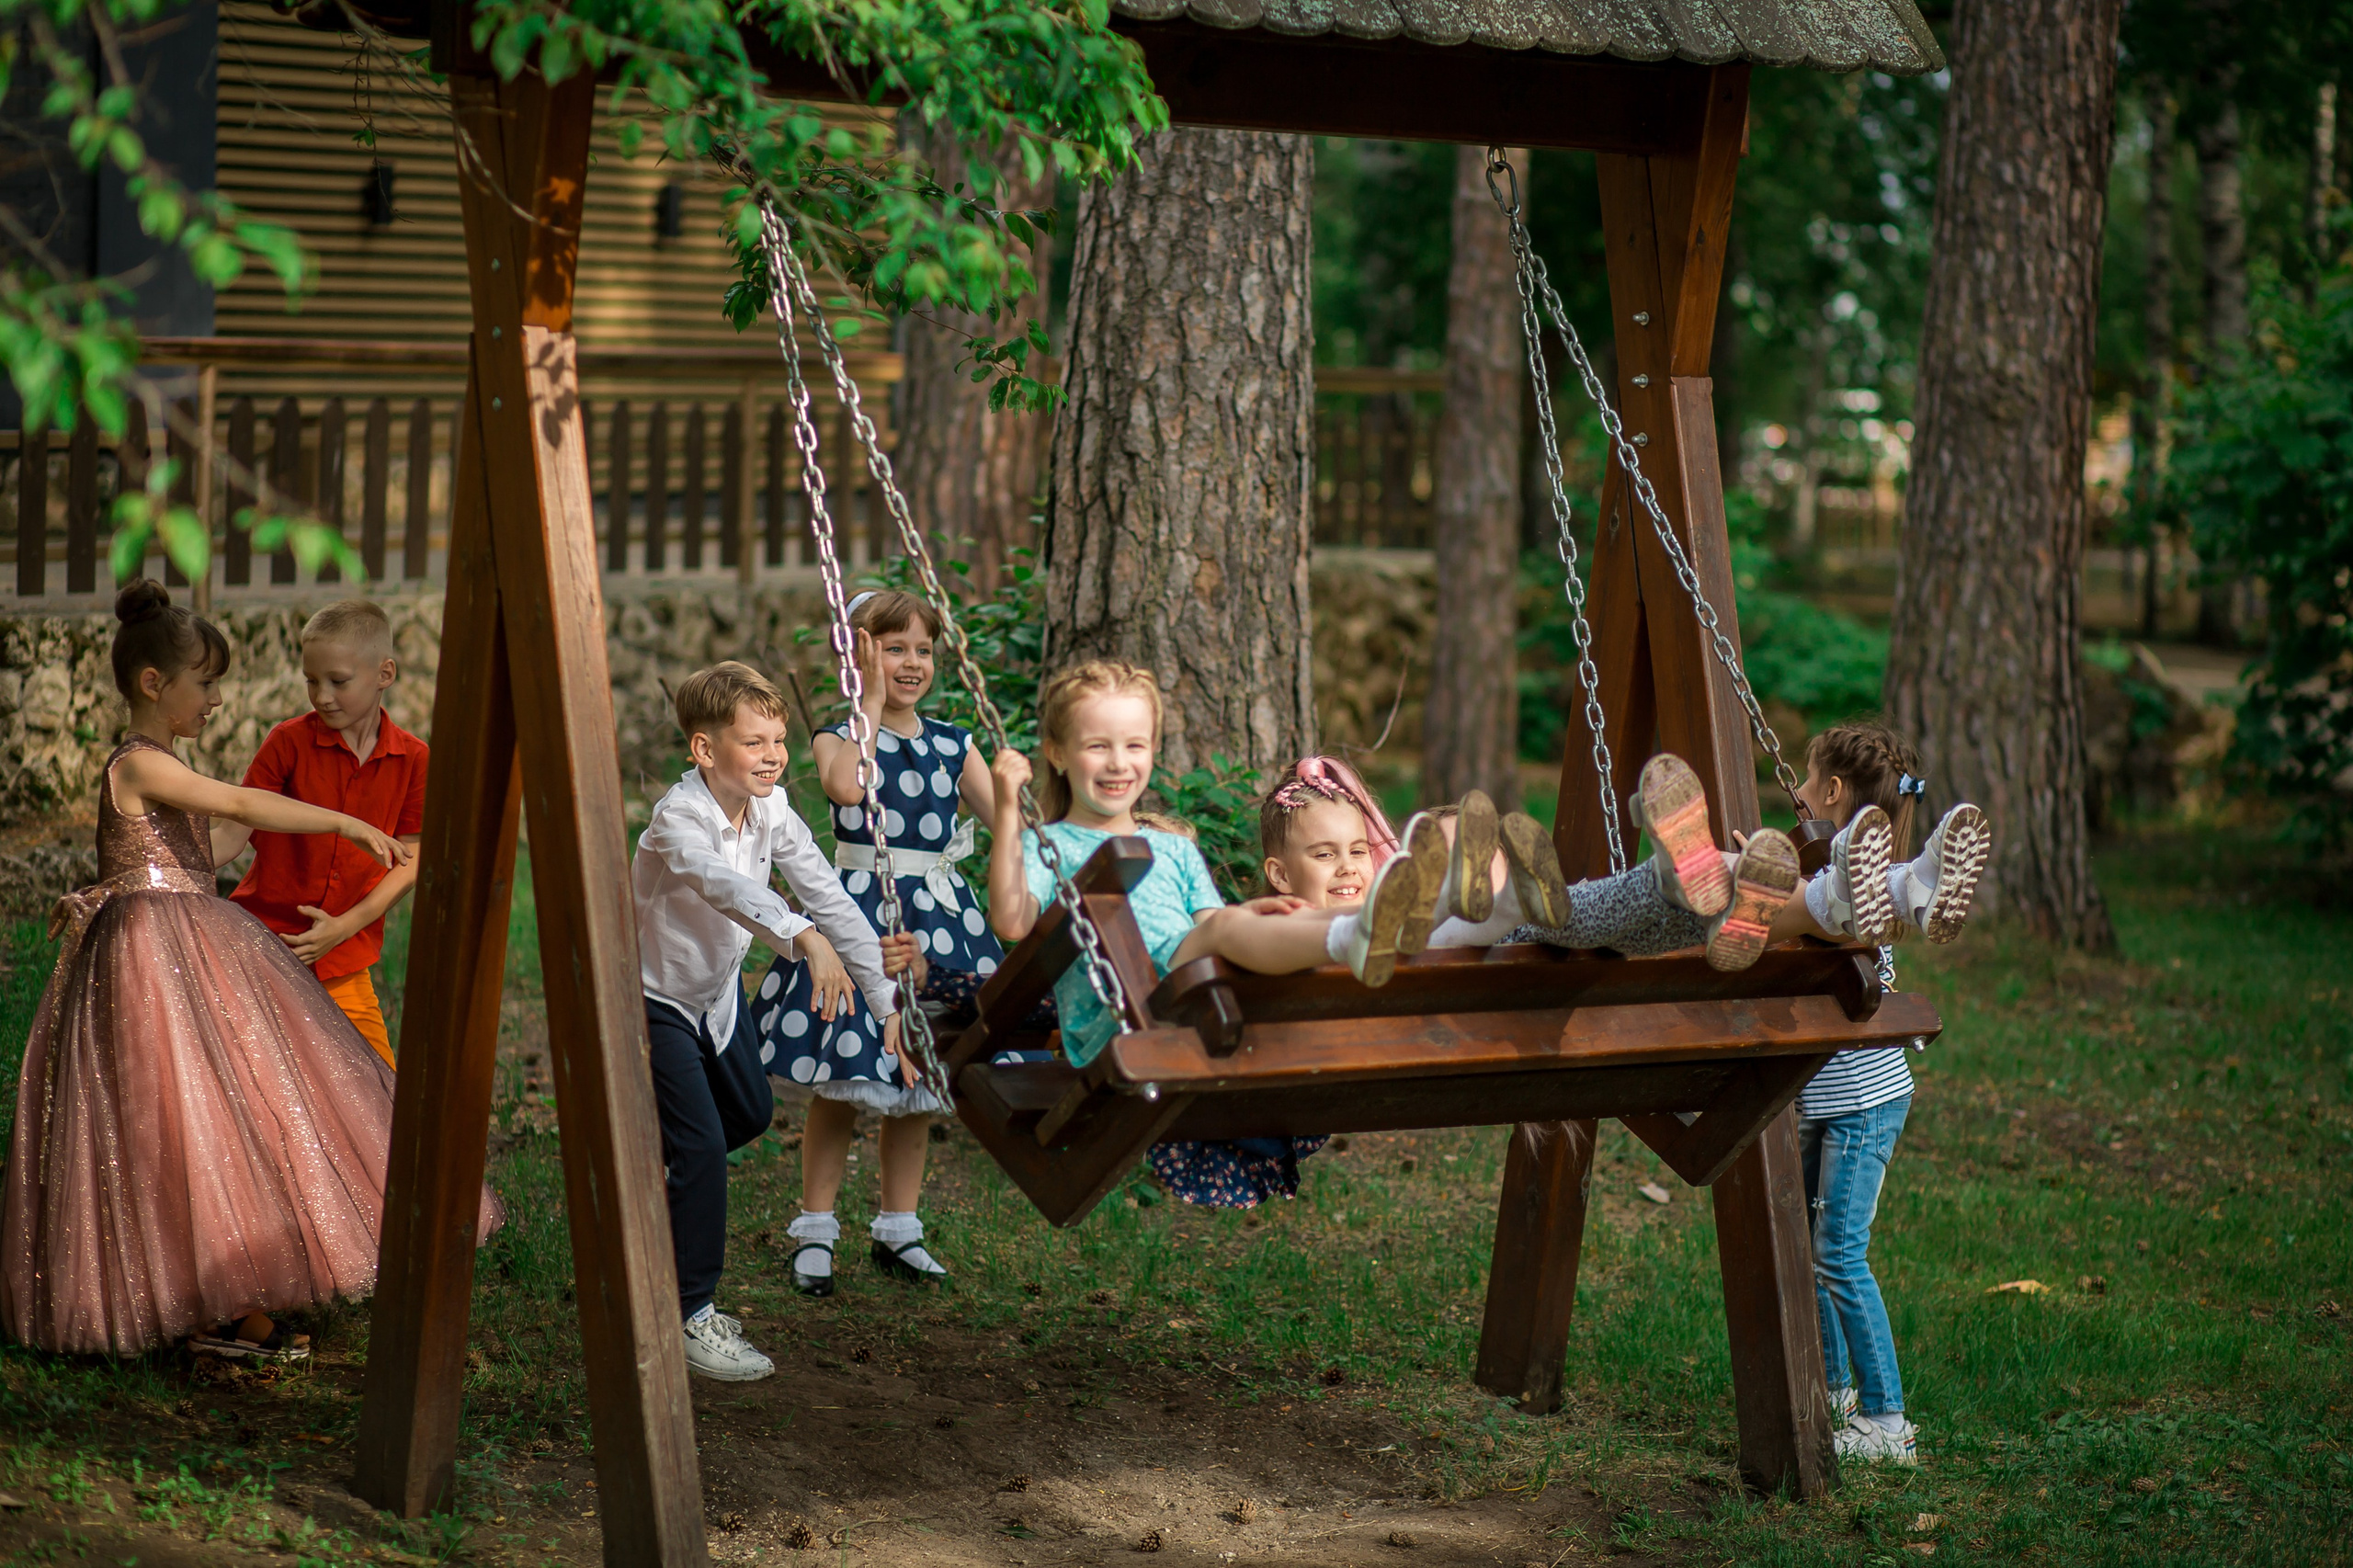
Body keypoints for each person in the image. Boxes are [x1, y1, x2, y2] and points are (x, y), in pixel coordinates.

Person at [2, 580, 415, 1360]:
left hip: (185, 934)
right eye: (208, 682)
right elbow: (240, 805)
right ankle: (192, 1300)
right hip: (148, 959)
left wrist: (108, 882)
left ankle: (227, 1286)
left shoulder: (166, 762)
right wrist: (341, 818)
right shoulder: (137, 764)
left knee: (226, 1110)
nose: (219, 699)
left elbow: (205, 850)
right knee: (168, 1116)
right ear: (155, 685)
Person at [631, 661, 901, 1381]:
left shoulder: (773, 809)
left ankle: (646, 1204)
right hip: (653, 999)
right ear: (705, 750)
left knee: (746, 1117)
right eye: (754, 742)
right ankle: (688, 1313)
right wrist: (801, 937)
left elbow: (830, 895)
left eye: (778, 739)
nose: (775, 755)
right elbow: (721, 887)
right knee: (699, 1148)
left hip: (715, 1000)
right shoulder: (676, 818)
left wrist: (886, 1006)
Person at [753, 590, 1003, 1296]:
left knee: (917, 1082)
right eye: (893, 649)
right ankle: (815, 1229)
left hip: (941, 926)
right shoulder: (838, 736)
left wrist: (1022, 802)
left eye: (922, 650)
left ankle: (900, 1228)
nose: (912, 662)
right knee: (843, 1079)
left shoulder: (955, 741)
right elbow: (847, 790)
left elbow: (1007, 818)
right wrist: (865, 699)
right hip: (859, 915)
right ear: (857, 656)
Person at [1774, 719, 1993, 1468]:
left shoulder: (1850, 901)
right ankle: (1834, 1391)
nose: (1797, 792)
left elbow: (1786, 922)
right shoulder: (1852, 894)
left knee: (1838, 1254)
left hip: (1862, 1101)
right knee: (1810, 1246)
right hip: (1822, 1097)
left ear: (1831, 792)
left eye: (1805, 782)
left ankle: (1887, 1420)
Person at [226, 599, 425, 1068]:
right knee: (256, 1078)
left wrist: (343, 929)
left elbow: (413, 857)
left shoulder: (414, 758)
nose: (322, 696)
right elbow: (232, 831)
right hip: (261, 946)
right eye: (311, 681)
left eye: (338, 681)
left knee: (377, 1085)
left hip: (344, 957)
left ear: (385, 674)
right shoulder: (287, 742)